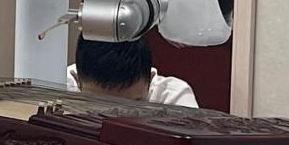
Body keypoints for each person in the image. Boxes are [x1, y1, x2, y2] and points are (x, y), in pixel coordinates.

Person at [68, 38, 198, 106]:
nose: (115, 122)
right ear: (77, 79)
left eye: (132, 107)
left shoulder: (172, 98)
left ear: (151, 79)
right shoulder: (62, 87)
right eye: (97, 106)